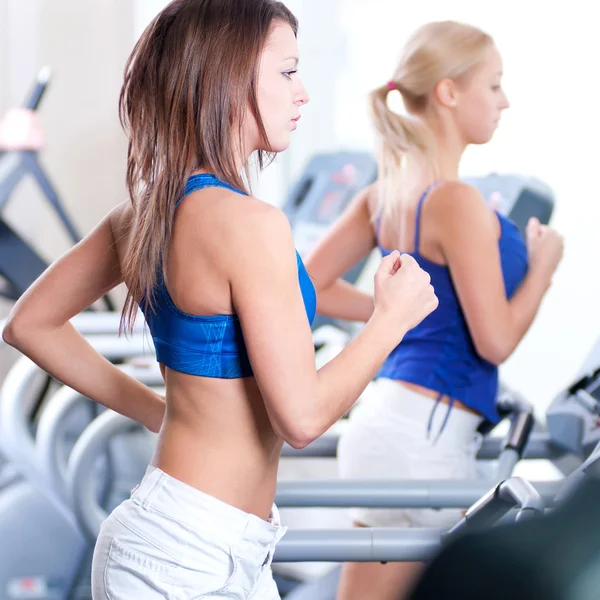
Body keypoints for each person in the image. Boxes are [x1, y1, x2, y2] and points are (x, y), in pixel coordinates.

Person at [1, 1, 438, 598]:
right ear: (227, 81)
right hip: (183, 553)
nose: (303, 93)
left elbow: (30, 323)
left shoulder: (146, 212)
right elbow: (303, 418)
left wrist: (159, 412)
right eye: (286, 72)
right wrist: (390, 319)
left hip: (216, 544)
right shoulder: (251, 225)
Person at [304, 20, 564, 600]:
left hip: (382, 423)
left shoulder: (386, 196)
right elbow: (495, 341)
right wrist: (543, 268)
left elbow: (308, 286)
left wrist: (401, 311)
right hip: (425, 437)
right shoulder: (456, 202)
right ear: (448, 92)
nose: (504, 101)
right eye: (494, 86)